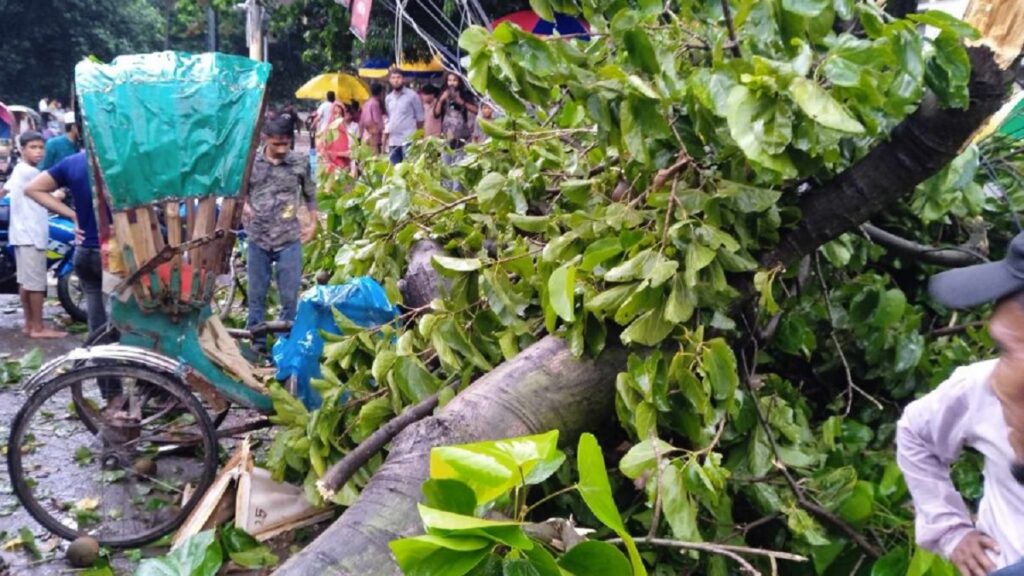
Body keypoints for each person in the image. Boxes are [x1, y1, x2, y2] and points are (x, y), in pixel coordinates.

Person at [897, 232, 1024, 576]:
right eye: (1002, 348)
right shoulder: (981, 387)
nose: (1000, 380)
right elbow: (915, 432)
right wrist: (950, 530)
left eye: (1011, 350)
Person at [243, 117, 318, 353]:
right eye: (277, 144)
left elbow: (310, 194)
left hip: (288, 238)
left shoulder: (299, 162)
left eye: (286, 143)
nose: (282, 149)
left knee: (290, 294)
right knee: (256, 293)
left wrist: (313, 223)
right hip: (258, 237)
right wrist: (245, 206)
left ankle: (284, 343)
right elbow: (239, 192)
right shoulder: (250, 162)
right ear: (265, 139)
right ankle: (256, 342)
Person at [24, 151, 105, 335]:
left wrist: (74, 215)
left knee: (96, 314)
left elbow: (32, 189)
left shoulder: (73, 162)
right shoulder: (124, 158)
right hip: (114, 253)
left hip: (85, 250)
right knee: (122, 316)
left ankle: (97, 349)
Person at [2, 131, 65, 338]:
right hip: (32, 234)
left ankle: (29, 324)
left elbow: (4, 191)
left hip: (21, 234)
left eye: (41, 147)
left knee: (25, 282)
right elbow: (52, 195)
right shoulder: (30, 172)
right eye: (33, 147)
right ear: (22, 149)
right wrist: (60, 194)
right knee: (36, 284)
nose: (38, 152)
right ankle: (38, 327)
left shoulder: (19, 169)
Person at [383, 68, 424, 164]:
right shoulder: (388, 98)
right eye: (393, 78)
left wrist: (417, 137)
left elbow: (420, 119)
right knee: (394, 169)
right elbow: (390, 117)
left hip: (408, 140)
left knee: (409, 168)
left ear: (403, 79)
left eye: (398, 77)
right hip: (393, 141)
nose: (396, 80)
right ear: (390, 80)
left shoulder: (412, 96)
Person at [434, 71, 477, 149]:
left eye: (454, 80)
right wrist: (441, 100)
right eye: (449, 80)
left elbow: (476, 110)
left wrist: (462, 102)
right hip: (447, 134)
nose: (452, 83)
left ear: (459, 82)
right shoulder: (443, 94)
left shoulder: (465, 94)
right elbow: (436, 114)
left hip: (462, 134)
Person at [359, 82, 385, 155]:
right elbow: (377, 120)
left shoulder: (366, 103)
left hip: (365, 134)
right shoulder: (375, 104)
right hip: (373, 135)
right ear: (381, 92)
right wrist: (382, 129)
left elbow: (361, 121)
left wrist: (360, 135)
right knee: (374, 155)